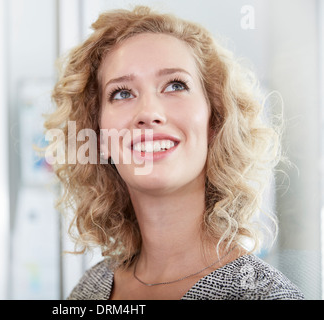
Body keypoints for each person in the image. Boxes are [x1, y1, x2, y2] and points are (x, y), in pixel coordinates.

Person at [43, 6, 304, 300]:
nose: (149, 113)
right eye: (123, 93)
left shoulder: (266, 295)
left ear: (215, 122)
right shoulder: (89, 290)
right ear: (99, 136)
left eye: (175, 85)